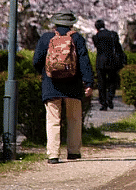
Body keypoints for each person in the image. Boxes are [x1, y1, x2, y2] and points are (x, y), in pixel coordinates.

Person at [32, 11, 94, 164]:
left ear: (56, 23)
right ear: (71, 24)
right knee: (74, 119)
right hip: (73, 85)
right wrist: (88, 82)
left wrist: (46, 73)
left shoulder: (46, 38)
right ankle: (73, 152)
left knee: (53, 120)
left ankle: (53, 154)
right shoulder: (77, 38)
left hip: (51, 84)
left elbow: (36, 61)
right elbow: (84, 62)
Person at [92, 19, 127, 110]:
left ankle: (103, 103)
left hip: (100, 61)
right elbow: (118, 47)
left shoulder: (96, 37)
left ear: (96, 27)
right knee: (112, 81)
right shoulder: (113, 34)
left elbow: (98, 47)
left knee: (101, 82)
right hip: (112, 60)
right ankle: (110, 98)